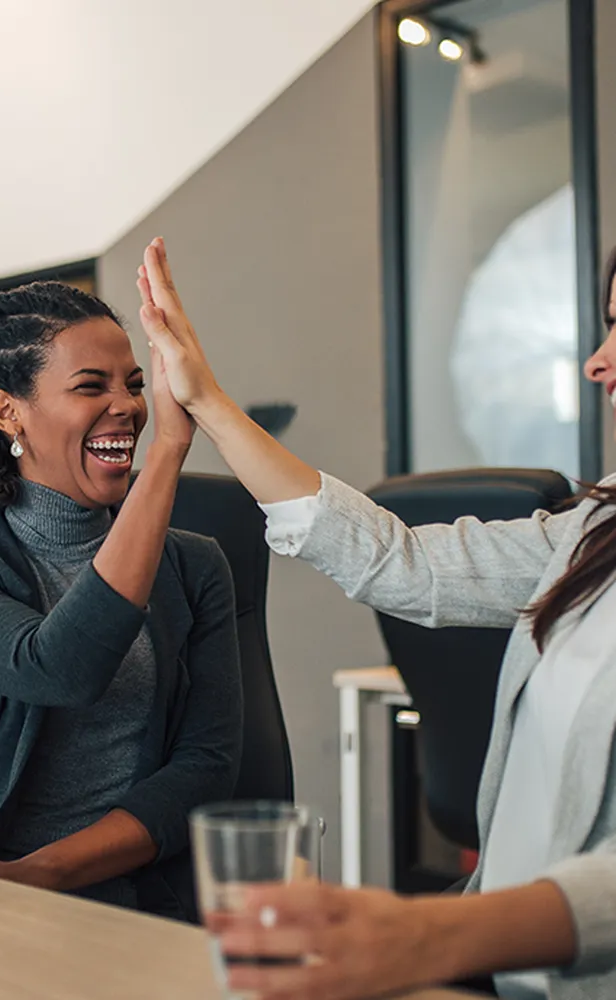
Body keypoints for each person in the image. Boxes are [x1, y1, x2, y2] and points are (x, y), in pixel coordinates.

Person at [136, 237, 616, 999]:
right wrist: (207, 403)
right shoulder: (597, 526)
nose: (597, 360)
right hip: (503, 970)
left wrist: (423, 935)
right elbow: (401, 563)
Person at [0, 280, 243, 923]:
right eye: (91, 387)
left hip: (144, 901)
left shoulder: (196, 566)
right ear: (9, 412)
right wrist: (168, 450)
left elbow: (206, 767)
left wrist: (40, 875)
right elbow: (61, 667)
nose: (128, 408)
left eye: (136, 385)